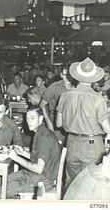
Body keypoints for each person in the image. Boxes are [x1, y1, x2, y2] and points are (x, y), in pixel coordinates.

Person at [56, 57, 110, 187]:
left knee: (72, 185)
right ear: (94, 78)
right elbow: (108, 129)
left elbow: (58, 123)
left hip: (72, 143)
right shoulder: (98, 99)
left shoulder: (65, 95)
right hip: (92, 143)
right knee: (91, 185)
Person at [1, 107, 62, 199]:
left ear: (41, 119)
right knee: (1, 180)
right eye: (27, 118)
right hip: (38, 175)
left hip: (43, 179)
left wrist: (16, 158)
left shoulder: (44, 138)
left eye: (32, 118)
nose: (29, 121)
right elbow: (39, 158)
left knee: (2, 190)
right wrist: (23, 152)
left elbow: (38, 168)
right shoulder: (41, 132)